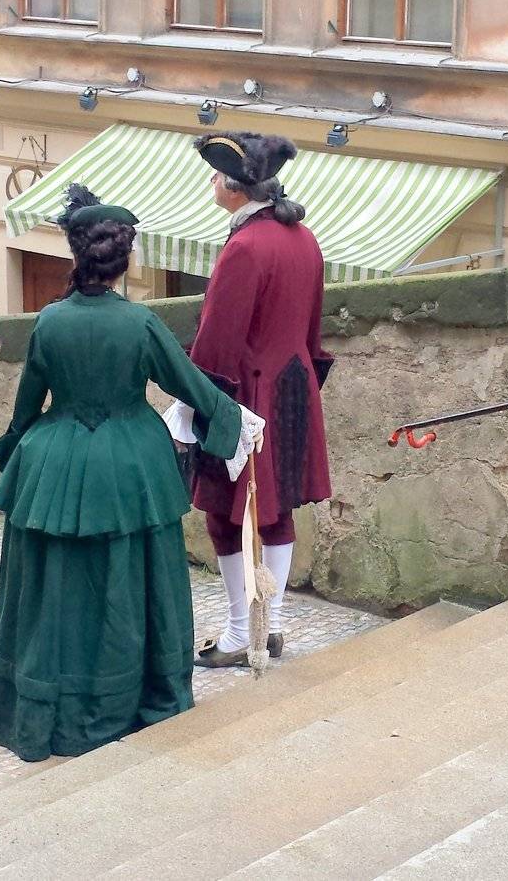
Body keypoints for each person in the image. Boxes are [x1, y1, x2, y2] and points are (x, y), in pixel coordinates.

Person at [0, 183, 261, 761]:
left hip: (54, 461)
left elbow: (27, 403)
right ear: (123, 259)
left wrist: (15, 452)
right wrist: (236, 422)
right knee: (128, 584)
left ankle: (49, 705)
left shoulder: (50, 322)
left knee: (56, 588)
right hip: (132, 466)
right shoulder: (140, 323)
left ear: (78, 255)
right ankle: (133, 694)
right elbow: (190, 385)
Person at [185, 132, 334, 668]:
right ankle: (274, 626)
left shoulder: (245, 247)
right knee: (277, 511)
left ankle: (238, 632)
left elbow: (218, 340)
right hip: (294, 390)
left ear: (233, 186)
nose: (210, 181)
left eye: (215, 173)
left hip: (245, 395)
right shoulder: (305, 238)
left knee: (224, 515)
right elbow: (312, 331)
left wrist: (192, 403)